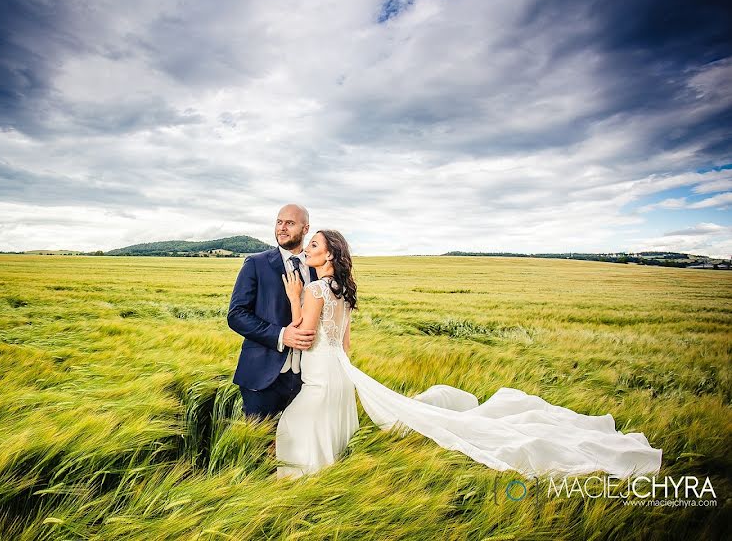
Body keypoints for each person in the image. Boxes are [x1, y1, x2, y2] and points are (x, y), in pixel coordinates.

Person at [274, 230, 663, 480]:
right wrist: (344, 367)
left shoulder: (314, 291)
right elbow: (344, 343)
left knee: (297, 420)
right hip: (339, 367)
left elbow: (305, 333)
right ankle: (328, 466)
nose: (307, 248)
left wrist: (294, 300)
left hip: (321, 366)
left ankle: (307, 472)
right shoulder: (341, 289)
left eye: (314, 245)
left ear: (328, 256)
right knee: (329, 414)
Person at [228, 204, 318, 420]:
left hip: (308, 377)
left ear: (306, 229)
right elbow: (236, 314)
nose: (282, 228)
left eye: (290, 223)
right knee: (258, 446)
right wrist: (281, 335)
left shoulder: (318, 267)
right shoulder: (256, 264)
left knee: (296, 447)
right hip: (263, 375)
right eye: (279, 222)